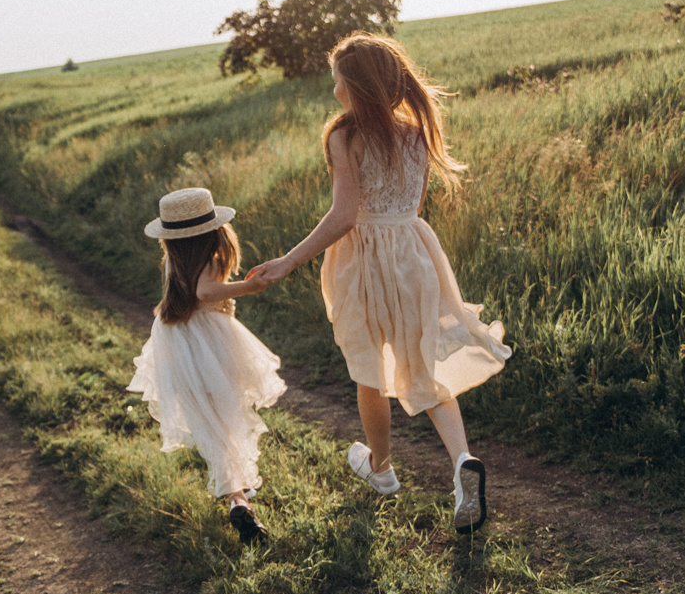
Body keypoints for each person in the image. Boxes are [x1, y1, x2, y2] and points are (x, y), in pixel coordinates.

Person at [251, 33, 510, 532]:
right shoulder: (416, 132)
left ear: (356, 87)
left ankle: (382, 468)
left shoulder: (343, 136)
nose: (333, 92)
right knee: (422, 361)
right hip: (415, 254)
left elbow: (345, 216)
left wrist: (288, 260)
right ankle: (462, 464)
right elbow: (411, 207)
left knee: (369, 369)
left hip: (364, 261)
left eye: (337, 82)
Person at [125, 186, 287, 540]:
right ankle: (238, 499)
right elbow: (205, 293)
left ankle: (236, 498)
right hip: (208, 342)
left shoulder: (174, 260)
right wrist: (248, 288)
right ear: (214, 229)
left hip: (176, 344)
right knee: (227, 418)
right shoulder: (211, 259)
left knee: (211, 421)